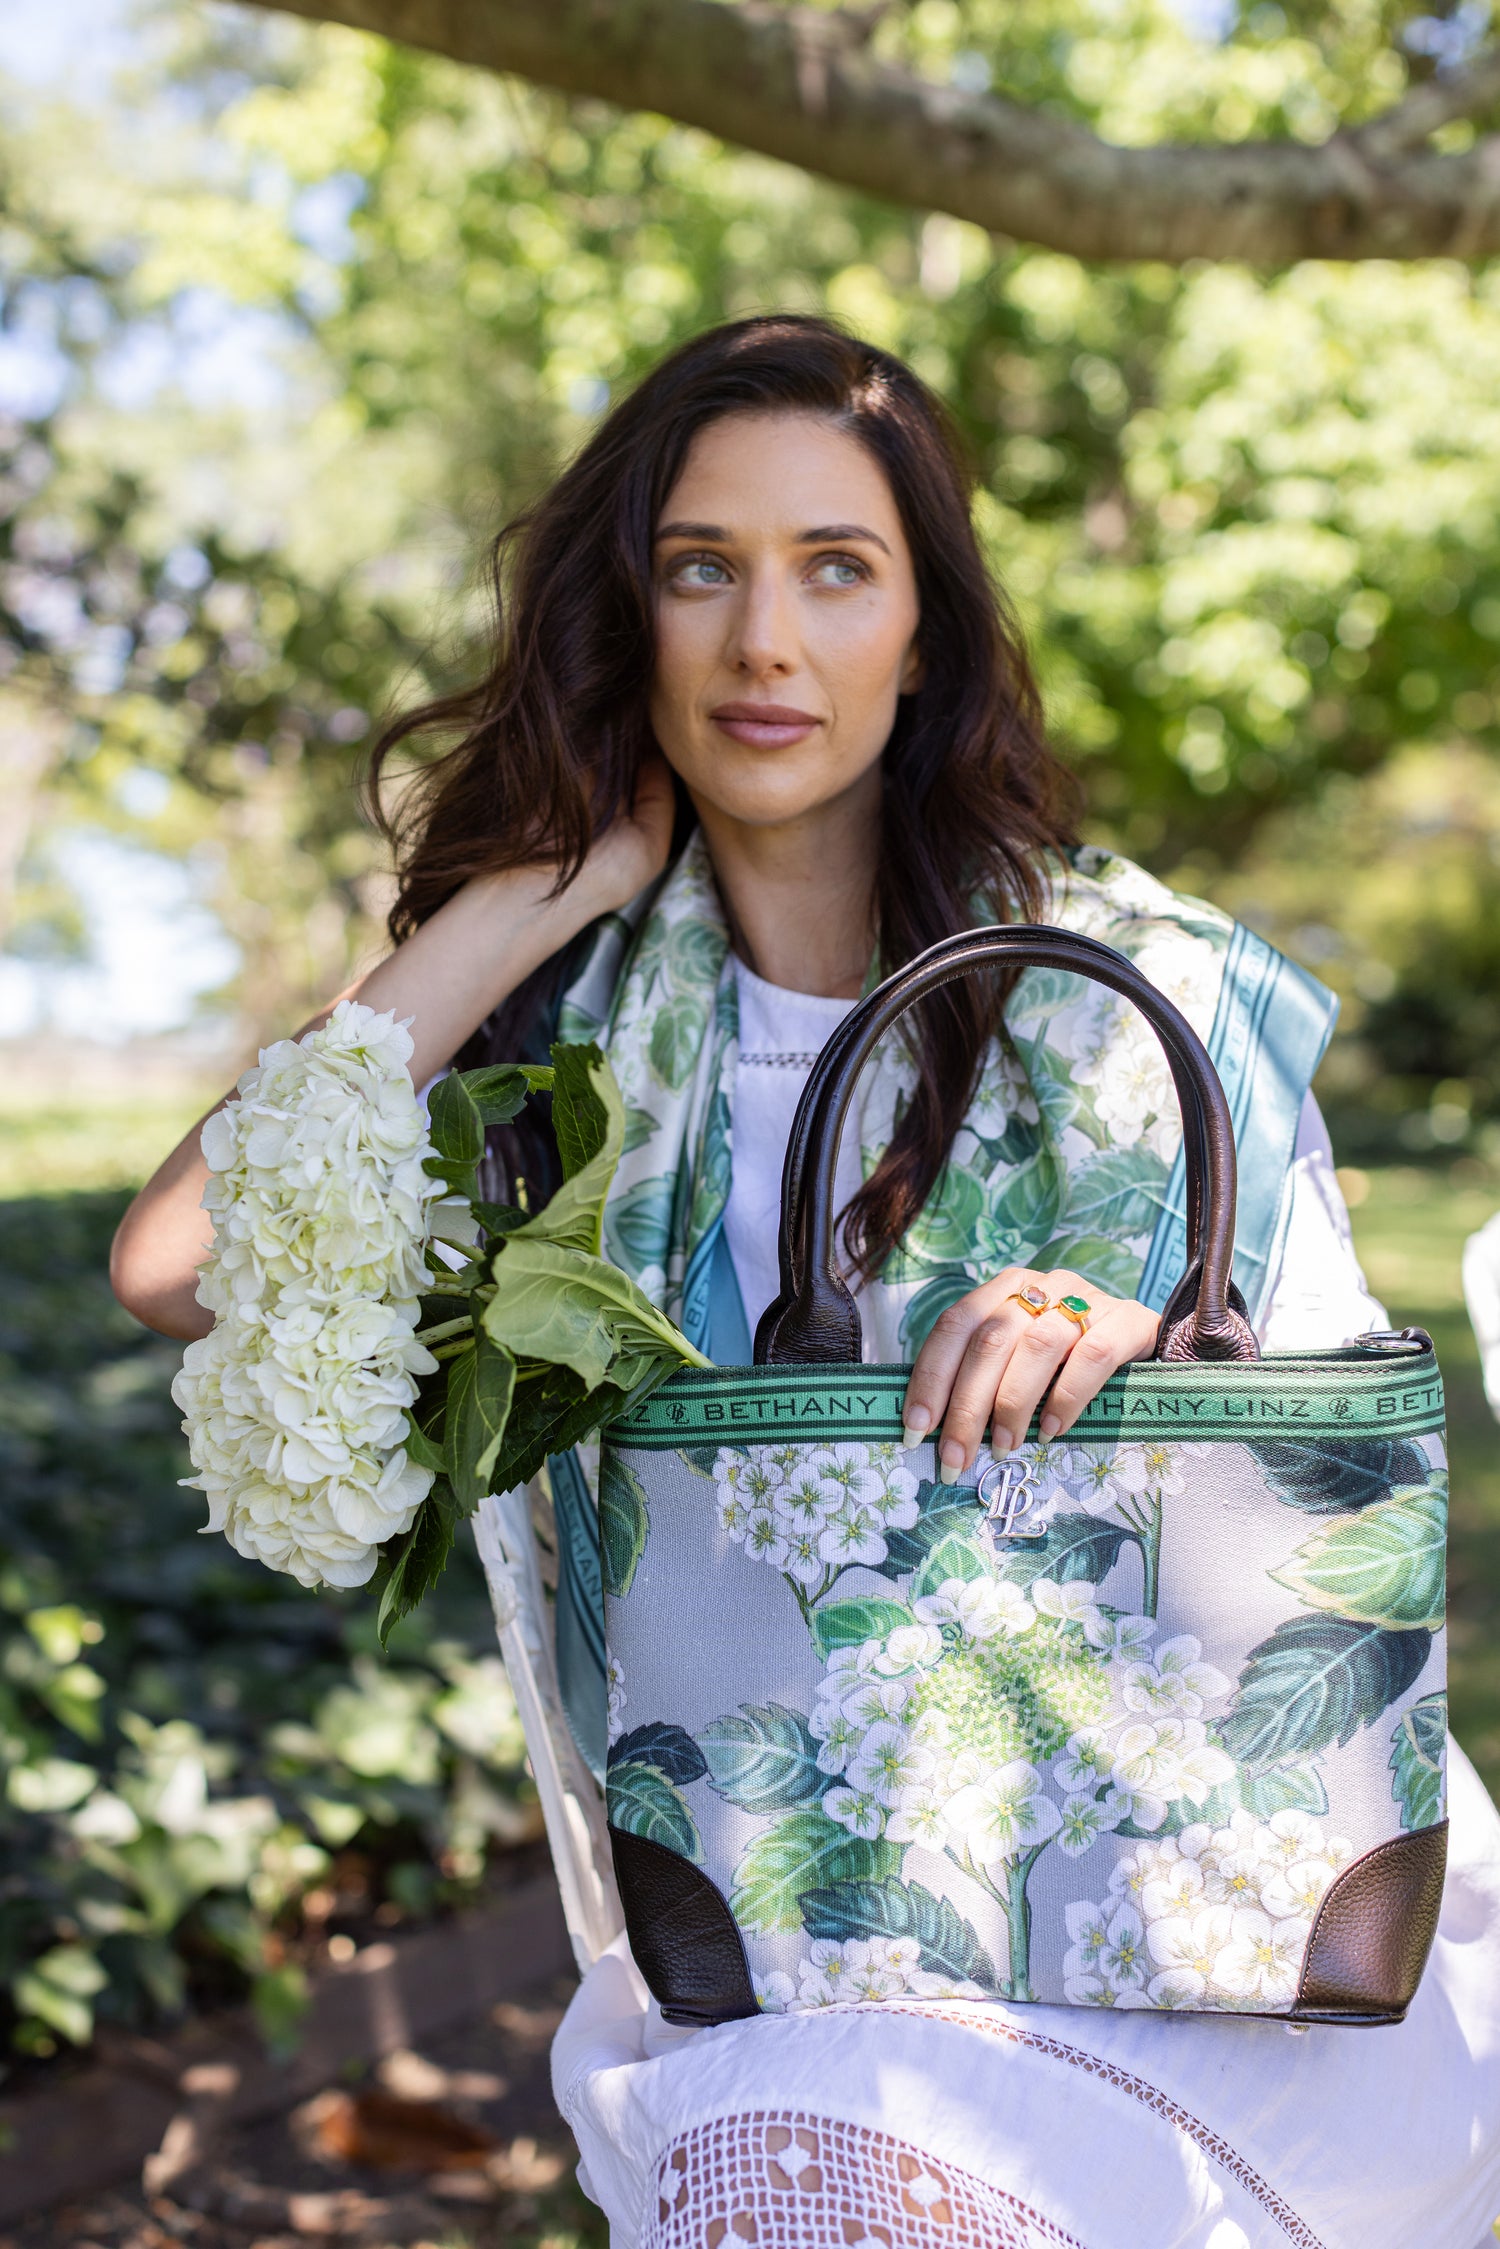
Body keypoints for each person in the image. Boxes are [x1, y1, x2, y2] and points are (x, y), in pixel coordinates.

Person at [114, 317, 1500, 2248]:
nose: (764, 640)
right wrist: (535, 890)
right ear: (634, 616)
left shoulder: (1140, 989)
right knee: (826, 2153)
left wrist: (1145, 1336)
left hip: (1206, 1910)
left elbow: (1339, 1456)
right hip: (780, 1920)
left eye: (836, 568)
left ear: (923, 632)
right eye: (703, 568)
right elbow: (178, 1262)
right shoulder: (563, 1050)